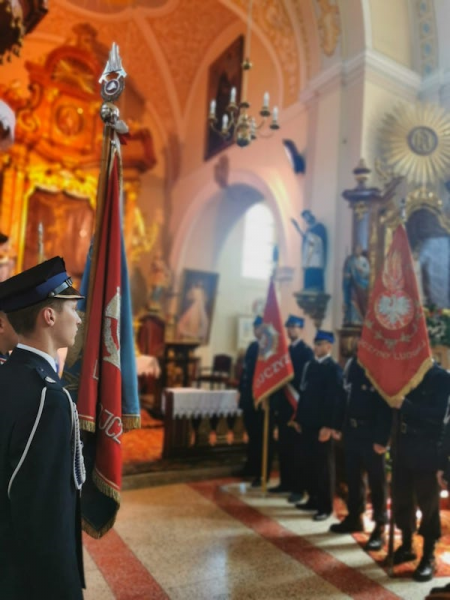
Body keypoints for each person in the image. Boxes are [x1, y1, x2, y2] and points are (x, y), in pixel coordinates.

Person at [0, 256, 86, 599]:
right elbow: (44, 517)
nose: (78, 318)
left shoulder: (8, 375)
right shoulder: (48, 397)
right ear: (48, 316)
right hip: (27, 579)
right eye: (71, 309)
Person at [329, 337, 392, 551]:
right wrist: (338, 425)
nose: (360, 346)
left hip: (372, 434)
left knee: (377, 481)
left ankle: (379, 527)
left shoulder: (381, 367)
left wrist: (382, 439)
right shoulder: (353, 365)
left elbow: (386, 406)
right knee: (353, 477)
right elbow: (342, 397)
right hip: (352, 431)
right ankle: (355, 517)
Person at [392, 364, 450, 582]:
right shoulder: (405, 372)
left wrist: (407, 406)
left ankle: (428, 556)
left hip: (426, 449)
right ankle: (407, 545)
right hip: (403, 446)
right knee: (402, 499)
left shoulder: (440, 377)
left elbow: (439, 415)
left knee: (428, 506)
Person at [294, 330, 344, 521]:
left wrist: (329, 426)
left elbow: (335, 401)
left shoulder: (334, 369)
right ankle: (313, 498)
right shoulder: (310, 366)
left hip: (322, 426)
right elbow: (304, 393)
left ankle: (325, 506)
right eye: (315, 344)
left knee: (324, 467)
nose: (316, 347)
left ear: (329, 346)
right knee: (309, 463)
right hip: (307, 422)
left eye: (320, 344)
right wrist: (299, 418)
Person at [269, 315, 313, 501]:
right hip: (285, 406)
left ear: (301, 329)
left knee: (298, 450)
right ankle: (285, 483)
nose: (291, 330)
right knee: (284, 448)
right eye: (289, 327)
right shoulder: (284, 352)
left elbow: (305, 380)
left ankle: (298, 488)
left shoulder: (307, 352)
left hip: (298, 406)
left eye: (295, 327)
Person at [237, 315, 271, 486]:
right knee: (251, 435)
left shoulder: (268, 350)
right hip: (249, 399)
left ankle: (260, 471)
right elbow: (245, 373)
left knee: (260, 437)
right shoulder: (252, 347)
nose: (256, 331)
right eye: (254, 328)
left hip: (261, 400)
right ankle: (250, 467)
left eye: (258, 328)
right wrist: (240, 391)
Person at [291, 210, 327, 292]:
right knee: (308, 269)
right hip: (309, 253)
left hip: (316, 254)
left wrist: (310, 237)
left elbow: (320, 240)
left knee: (315, 269)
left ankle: (316, 287)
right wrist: (297, 228)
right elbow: (305, 238)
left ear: (311, 216)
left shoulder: (319, 227)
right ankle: (308, 287)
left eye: (307, 216)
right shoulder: (308, 230)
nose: (306, 219)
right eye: (305, 218)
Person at [342, 244, 370, 325]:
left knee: (361, 300)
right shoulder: (351, 260)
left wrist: (361, 270)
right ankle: (352, 318)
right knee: (353, 299)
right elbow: (347, 272)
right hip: (353, 285)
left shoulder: (364, 260)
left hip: (362, 285)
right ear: (354, 250)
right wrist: (347, 275)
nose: (359, 250)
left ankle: (360, 318)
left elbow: (367, 272)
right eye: (357, 249)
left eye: (360, 249)